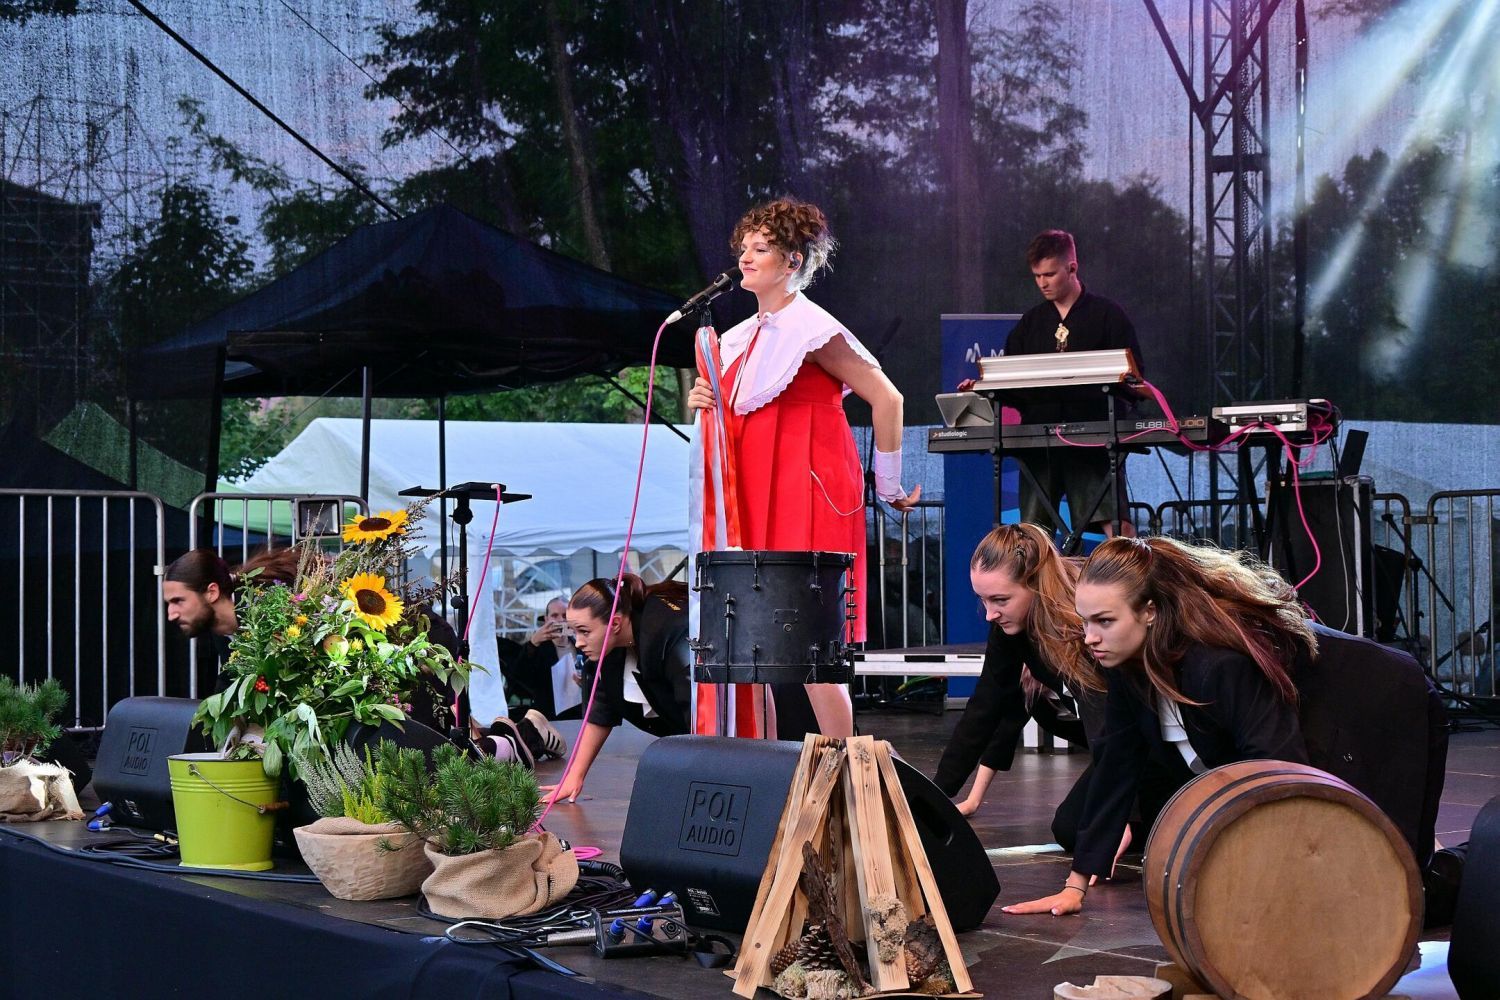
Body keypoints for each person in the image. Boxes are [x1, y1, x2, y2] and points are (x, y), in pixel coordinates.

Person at [687, 196, 920, 739]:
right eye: (744, 248)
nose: (745, 258)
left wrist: (888, 484)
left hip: (807, 491)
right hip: (752, 494)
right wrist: (701, 399)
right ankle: (763, 767)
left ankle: (845, 761)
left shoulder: (814, 328)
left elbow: (887, 399)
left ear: (793, 261)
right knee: (751, 639)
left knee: (814, 641)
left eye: (761, 249)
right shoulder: (738, 338)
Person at [1001, 230, 1145, 537]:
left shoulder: (1108, 315)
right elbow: (1011, 384)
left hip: (1094, 439)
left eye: (1050, 274)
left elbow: (1134, 378)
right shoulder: (1030, 323)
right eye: (1037, 276)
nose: (1043, 283)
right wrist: (985, 388)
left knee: (1117, 526)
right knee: (1031, 534)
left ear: (1072, 268)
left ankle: (1127, 570)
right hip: (1040, 441)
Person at [542, 574, 691, 803]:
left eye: (584, 631)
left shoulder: (667, 633)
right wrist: (574, 776)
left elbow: (699, 712)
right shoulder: (612, 648)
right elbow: (602, 708)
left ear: (615, 624)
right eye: (574, 632)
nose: (578, 642)